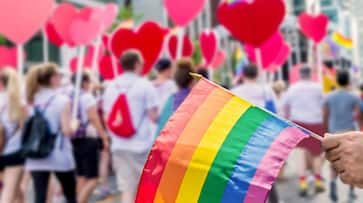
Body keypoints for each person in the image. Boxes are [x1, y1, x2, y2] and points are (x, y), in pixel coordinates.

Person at [102, 50, 158, 203]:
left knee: (127, 189)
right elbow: (154, 116)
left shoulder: (111, 86)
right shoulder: (145, 85)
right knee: (146, 187)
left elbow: (107, 117)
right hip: (141, 145)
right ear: (136, 64)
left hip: (119, 145)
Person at [25, 63, 77, 203]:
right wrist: (74, 124)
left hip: (35, 153)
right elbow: (67, 130)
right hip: (58, 152)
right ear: (52, 78)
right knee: (70, 194)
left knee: (39, 196)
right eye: (59, 75)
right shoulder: (62, 100)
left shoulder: (29, 100)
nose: (60, 78)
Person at [231, 64, 280, 203]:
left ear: (243, 75)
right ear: (257, 75)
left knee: (244, 175)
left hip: (242, 139)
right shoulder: (266, 91)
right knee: (266, 173)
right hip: (263, 137)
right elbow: (277, 113)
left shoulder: (235, 92)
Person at [281, 66, 325, 196]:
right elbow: (324, 105)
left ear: (300, 75)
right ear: (310, 74)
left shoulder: (293, 88)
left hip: (298, 123)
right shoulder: (318, 88)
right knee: (316, 154)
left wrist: (288, 120)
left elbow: (285, 105)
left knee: (300, 154)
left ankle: (303, 183)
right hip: (316, 122)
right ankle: (318, 181)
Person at [71, 71, 110, 203]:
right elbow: (94, 118)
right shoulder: (87, 97)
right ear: (84, 82)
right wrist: (103, 137)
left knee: (81, 176)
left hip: (74, 139)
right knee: (93, 178)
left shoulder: (70, 95)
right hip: (88, 139)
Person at [322, 69, 360, 202]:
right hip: (349, 133)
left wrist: (326, 132)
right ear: (348, 81)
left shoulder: (329, 96)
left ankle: (332, 185)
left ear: (336, 81)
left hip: (333, 134)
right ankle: (351, 191)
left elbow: (325, 116)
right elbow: (358, 115)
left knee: (334, 164)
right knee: (349, 164)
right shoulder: (354, 96)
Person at [0, 68, 27, 203]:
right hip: (14, 150)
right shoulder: (18, 103)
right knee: (9, 191)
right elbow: (25, 129)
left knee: (16, 190)